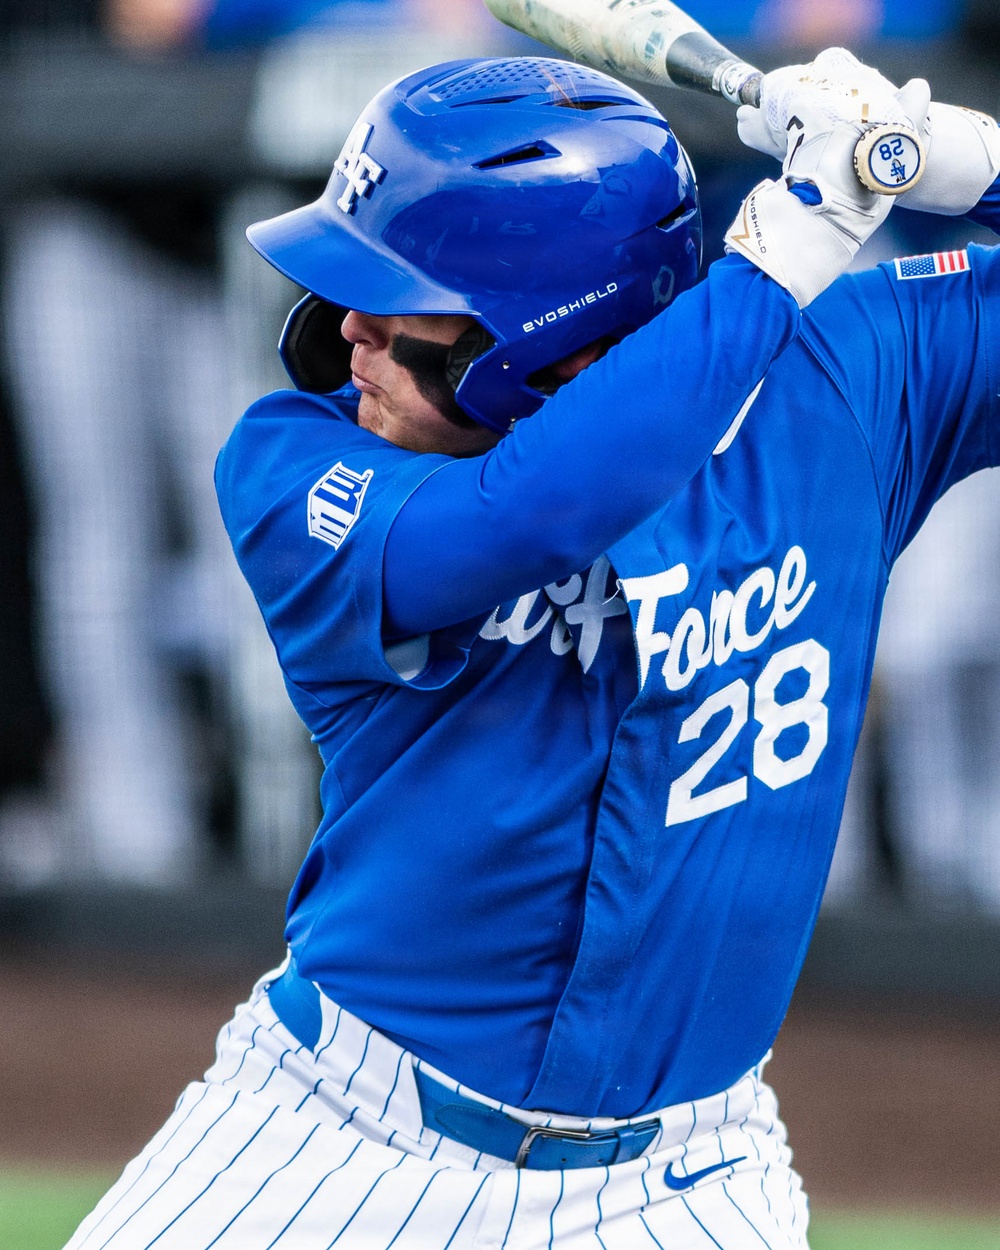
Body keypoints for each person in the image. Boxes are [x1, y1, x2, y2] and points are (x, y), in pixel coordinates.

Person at [64, 47, 1000, 1250]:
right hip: (333, 1138)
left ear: (547, 333)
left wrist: (940, 162)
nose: (348, 328)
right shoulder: (291, 465)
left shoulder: (851, 381)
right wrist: (785, 245)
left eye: (403, 302)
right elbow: (527, 512)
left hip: (690, 1182)